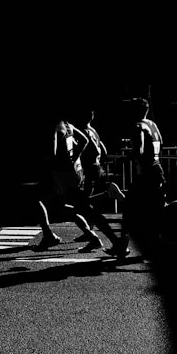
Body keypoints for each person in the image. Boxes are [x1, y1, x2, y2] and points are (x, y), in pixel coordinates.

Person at [48, 109, 128, 255]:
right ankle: (97, 237)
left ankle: (108, 239)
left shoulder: (57, 127)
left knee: (78, 207)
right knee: (81, 206)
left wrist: (66, 160)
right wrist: (76, 157)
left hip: (64, 174)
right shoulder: (70, 126)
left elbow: (52, 153)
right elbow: (90, 144)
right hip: (77, 171)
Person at [105, 97, 167, 258]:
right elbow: (161, 142)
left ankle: (123, 245)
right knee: (153, 208)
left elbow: (138, 149)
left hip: (146, 173)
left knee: (130, 206)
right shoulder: (153, 124)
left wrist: (125, 159)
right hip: (157, 169)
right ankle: (152, 242)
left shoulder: (137, 126)